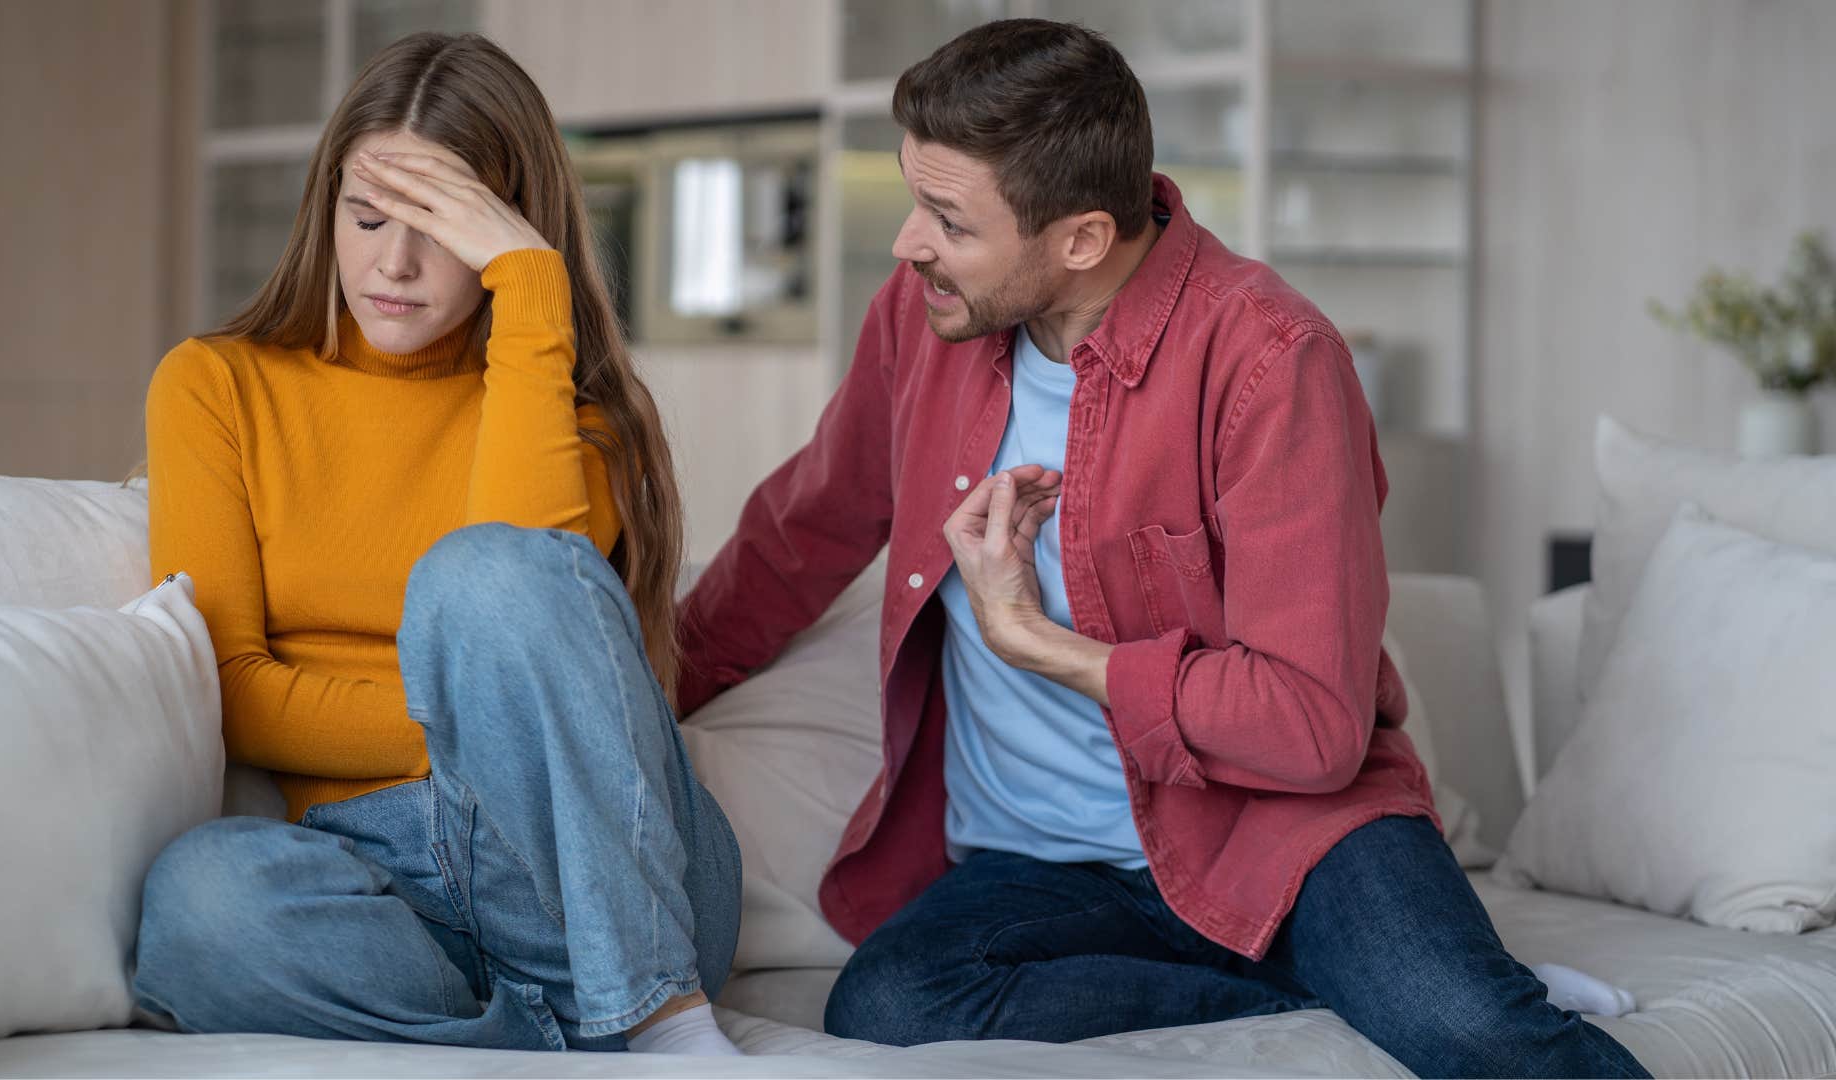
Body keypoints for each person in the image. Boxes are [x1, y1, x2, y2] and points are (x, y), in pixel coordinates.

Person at [675, 18, 1651, 1078]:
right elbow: (799, 533)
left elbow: (1316, 727)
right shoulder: (923, 321)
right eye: (916, 202)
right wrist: (628, 687)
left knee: (1474, 1031)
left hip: (1283, 837)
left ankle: (1403, 978)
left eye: (947, 220)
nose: (909, 243)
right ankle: (1315, 983)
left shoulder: (1272, 359)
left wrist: (1034, 639)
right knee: (894, 1003)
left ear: (1082, 239)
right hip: (1039, 867)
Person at [132, 32, 743, 1056]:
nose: (394, 264)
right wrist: (477, 725)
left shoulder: (564, 414)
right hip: (381, 862)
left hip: (606, 871)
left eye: (444, 232)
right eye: (367, 218)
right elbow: (232, 687)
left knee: (487, 570)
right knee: (199, 899)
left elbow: (529, 594)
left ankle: (659, 1015)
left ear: (513, 241)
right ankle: (564, 1032)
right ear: (324, 209)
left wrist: (533, 294)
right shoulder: (216, 386)